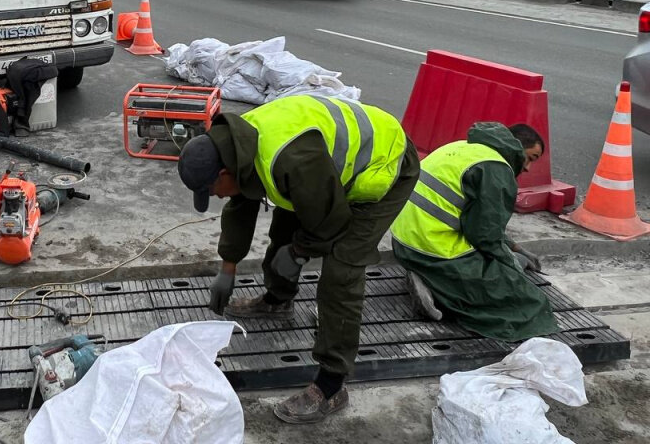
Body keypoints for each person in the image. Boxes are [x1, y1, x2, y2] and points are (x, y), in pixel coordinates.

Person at [177, 94, 420, 425]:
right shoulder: (238, 143)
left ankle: (331, 386)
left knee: (342, 267)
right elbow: (241, 200)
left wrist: (298, 253)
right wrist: (228, 266)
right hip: (324, 175)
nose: (216, 196)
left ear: (223, 171)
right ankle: (278, 301)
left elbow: (329, 223)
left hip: (383, 166)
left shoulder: (291, 159)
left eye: (212, 189)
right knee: (286, 223)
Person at [389, 122, 558, 340]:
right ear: (516, 146)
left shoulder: (463, 148)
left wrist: (514, 246)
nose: (528, 168)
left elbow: (473, 219)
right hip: (434, 253)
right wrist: (511, 264)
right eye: (531, 158)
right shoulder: (496, 169)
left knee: (495, 268)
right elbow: (484, 236)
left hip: (403, 244)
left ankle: (428, 279)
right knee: (525, 299)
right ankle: (436, 293)